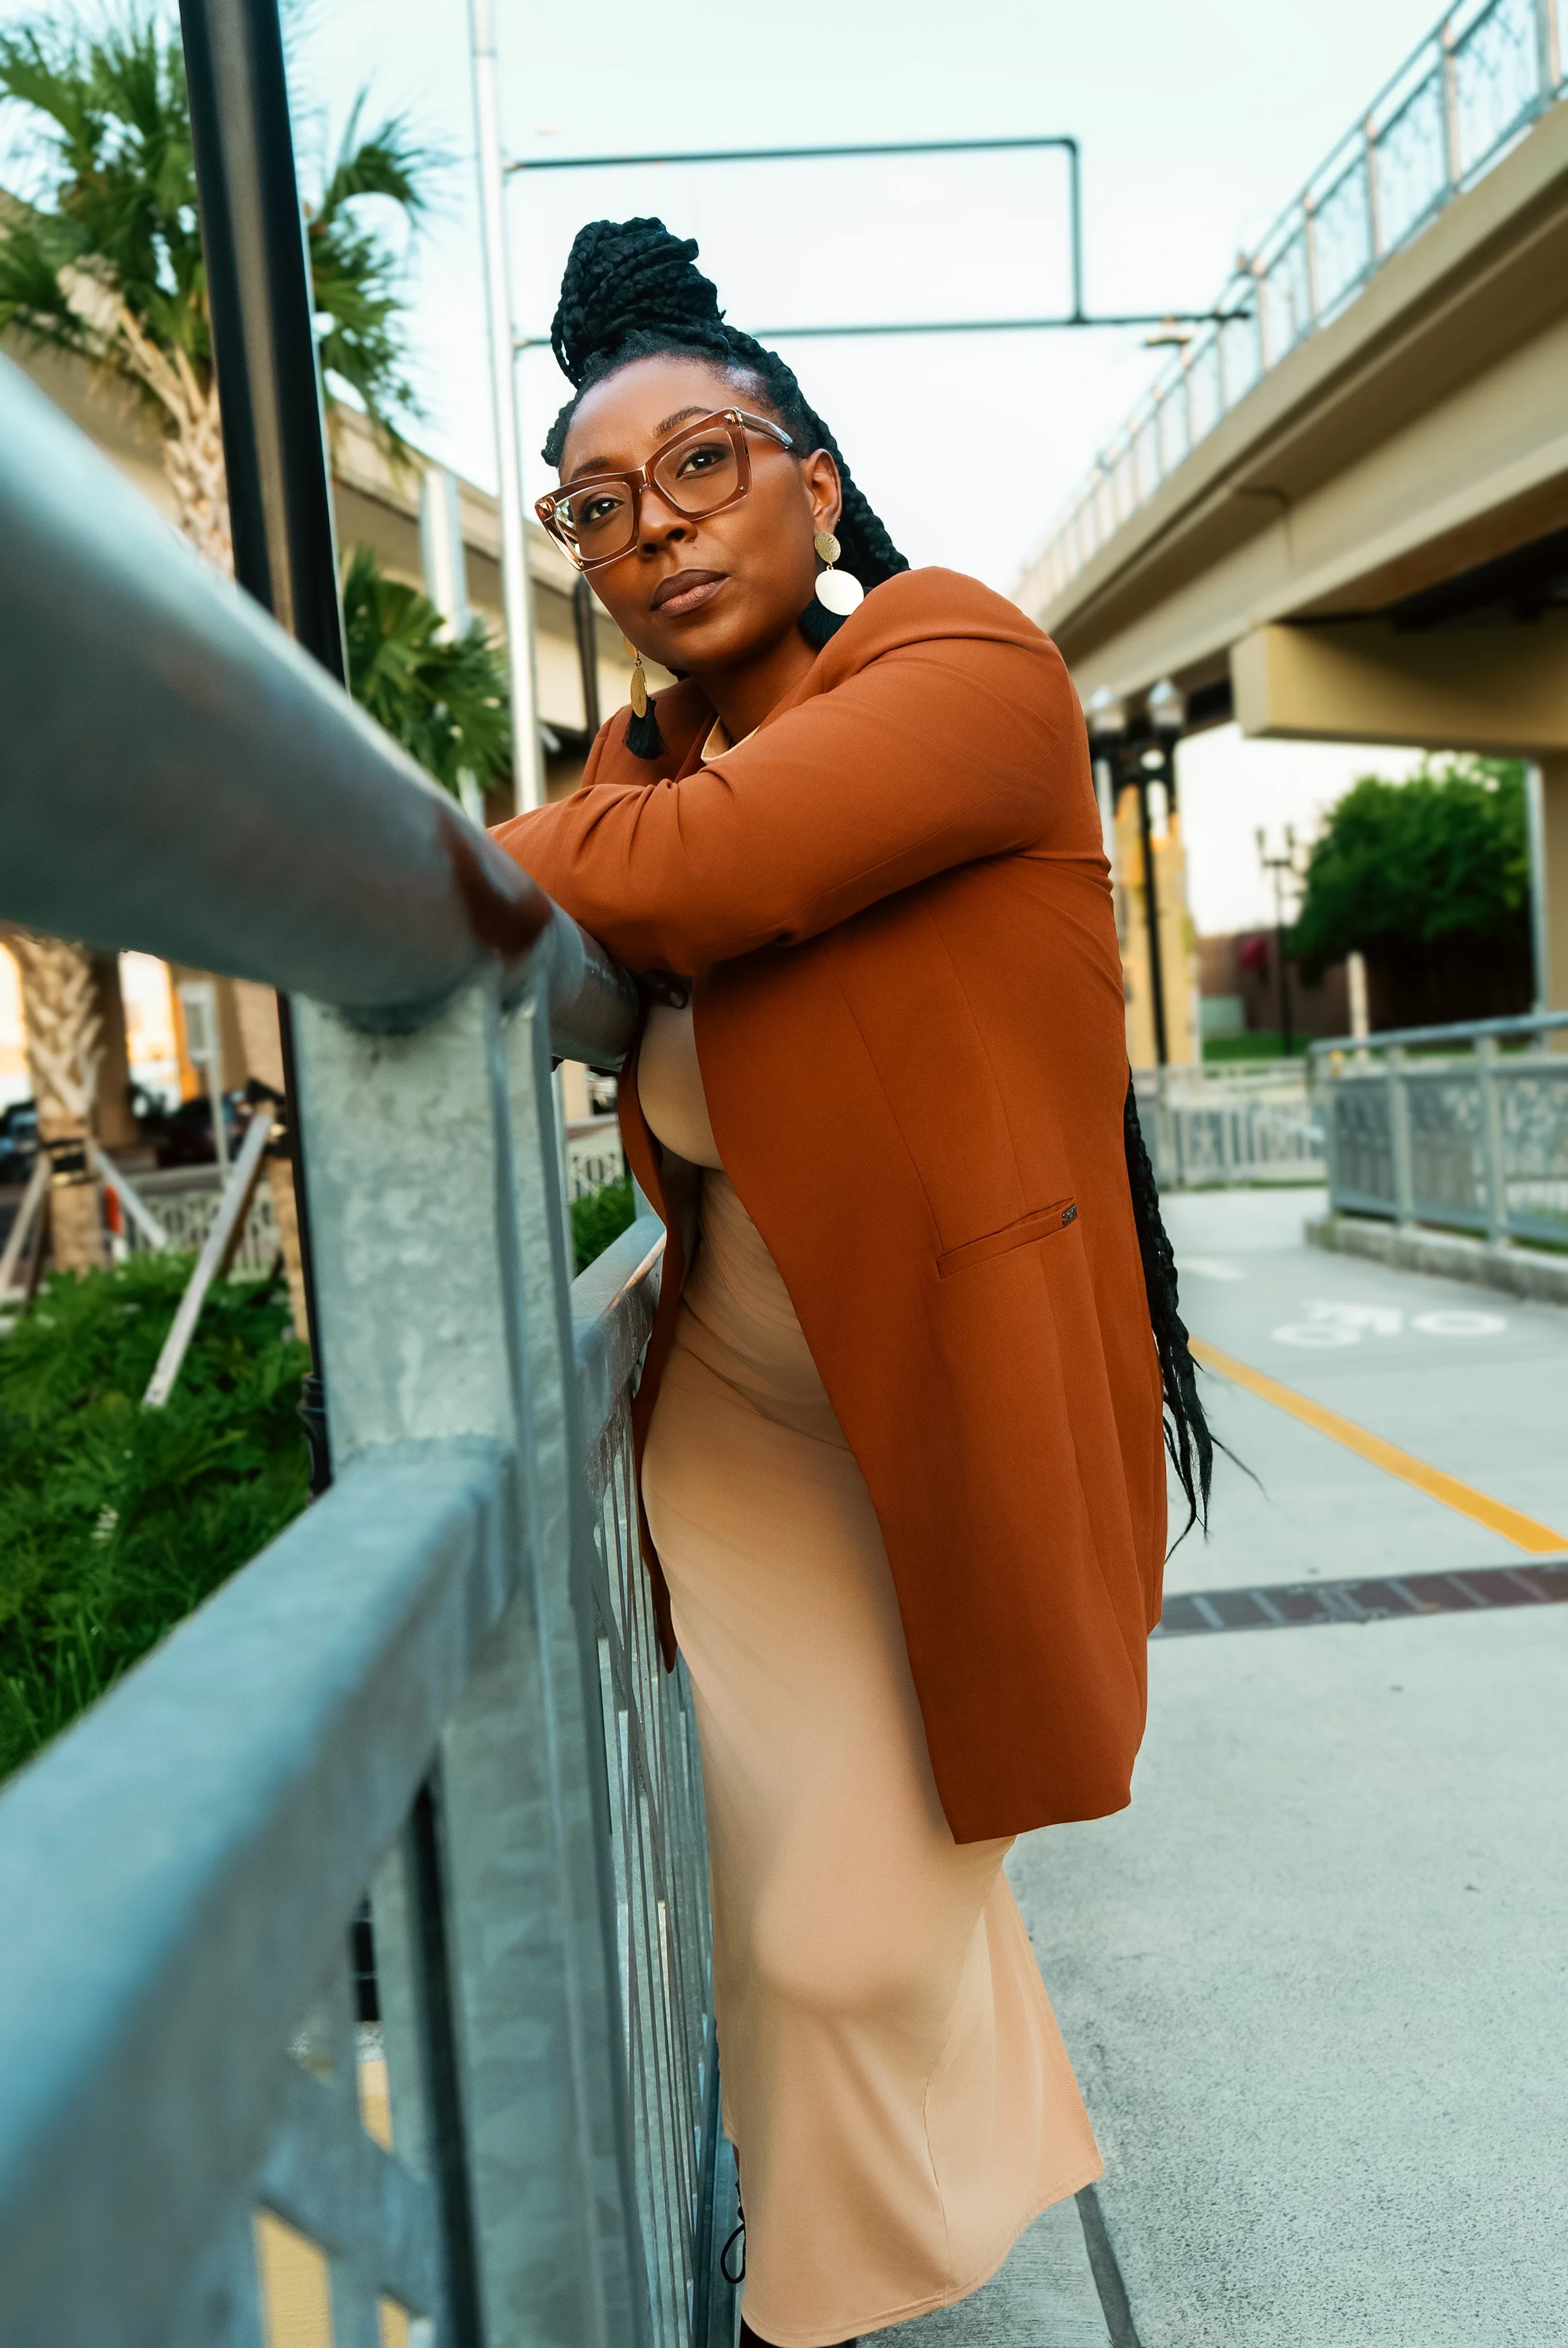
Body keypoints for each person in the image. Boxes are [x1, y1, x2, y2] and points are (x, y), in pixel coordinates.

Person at [496, 216, 1213, 2348]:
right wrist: (577, 852)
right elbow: (643, 872)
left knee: (855, 1922)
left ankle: (857, 2251)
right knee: (813, 1918)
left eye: (704, 465)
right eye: (598, 509)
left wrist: (483, 853)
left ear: (818, 481)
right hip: (735, 1424)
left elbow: (713, 882)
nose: (653, 530)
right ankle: (809, 2298)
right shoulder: (638, 773)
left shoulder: (963, 668)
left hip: (959, 1389)